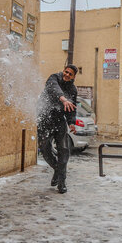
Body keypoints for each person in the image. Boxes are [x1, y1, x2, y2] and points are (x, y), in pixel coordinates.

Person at [37, 65, 78, 194]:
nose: (67, 75)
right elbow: (54, 89)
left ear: (73, 77)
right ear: (63, 71)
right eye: (66, 72)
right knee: (44, 148)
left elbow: (72, 107)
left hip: (60, 120)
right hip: (45, 118)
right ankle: (56, 168)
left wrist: (71, 122)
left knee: (64, 150)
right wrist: (63, 99)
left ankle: (62, 182)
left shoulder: (72, 89)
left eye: (70, 74)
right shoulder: (53, 78)